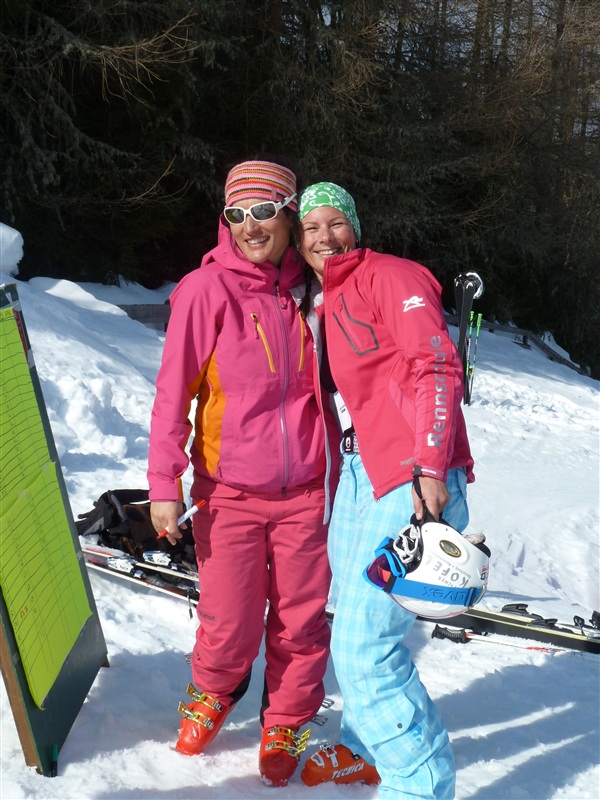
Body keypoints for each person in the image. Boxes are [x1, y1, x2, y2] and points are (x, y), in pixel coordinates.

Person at [147, 161, 339, 787]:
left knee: (301, 621)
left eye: (263, 211)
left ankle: (286, 719)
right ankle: (215, 688)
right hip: (228, 492)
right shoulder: (205, 291)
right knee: (228, 621)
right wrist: (163, 486)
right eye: (237, 214)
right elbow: (173, 395)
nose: (250, 226)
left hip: (307, 491)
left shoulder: (316, 291)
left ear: (288, 214)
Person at [296, 182, 475, 799]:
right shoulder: (327, 296)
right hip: (359, 474)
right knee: (353, 618)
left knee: (363, 648)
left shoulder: (390, 276)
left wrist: (430, 465)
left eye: (335, 222)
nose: (324, 236)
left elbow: (438, 365)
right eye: (310, 227)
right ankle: (363, 750)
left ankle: (421, 783)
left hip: (407, 476)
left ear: (355, 226)